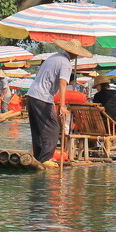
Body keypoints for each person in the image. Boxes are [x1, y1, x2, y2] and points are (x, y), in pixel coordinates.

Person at [26, 39, 90, 168]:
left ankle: (38, 157)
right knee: (53, 128)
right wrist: (62, 105)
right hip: (43, 97)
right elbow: (62, 83)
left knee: (38, 129)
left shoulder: (54, 57)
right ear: (75, 53)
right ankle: (45, 158)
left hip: (32, 95)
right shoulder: (66, 64)